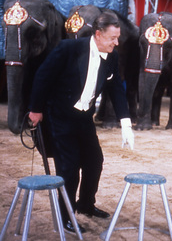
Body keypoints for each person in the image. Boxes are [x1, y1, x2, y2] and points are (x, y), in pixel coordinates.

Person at [28, 12, 134, 233]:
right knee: (69, 168)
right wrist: (36, 110)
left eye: (118, 38)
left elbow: (116, 89)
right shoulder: (68, 49)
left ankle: (86, 204)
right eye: (112, 38)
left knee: (95, 161)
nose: (116, 43)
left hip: (84, 118)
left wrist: (125, 123)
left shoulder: (112, 56)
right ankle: (65, 216)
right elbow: (42, 77)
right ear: (98, 34)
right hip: (60, 116)